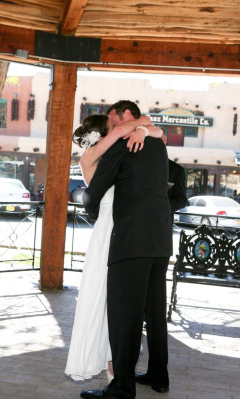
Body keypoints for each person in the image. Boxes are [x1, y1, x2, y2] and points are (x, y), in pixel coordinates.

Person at [81, 100, 173, 399]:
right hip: (160, 240)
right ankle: (158, 376)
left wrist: (94, 213)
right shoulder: (158, 143)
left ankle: (122, 389)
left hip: (131, 242)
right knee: (154, 312)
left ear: (127, 118)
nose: (111, 128)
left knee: (125, 316)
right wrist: (146, 127)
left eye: (113, 122)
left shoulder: (122, 147)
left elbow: (93, 192)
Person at [65, 112, 162, 381]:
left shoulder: (95, 157)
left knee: (114, 299)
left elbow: (153, 132)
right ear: (102, 133)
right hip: (113, 229)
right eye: (111, 127)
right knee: (109, 297)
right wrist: (142, 122)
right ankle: (112, 366)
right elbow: (123, 132)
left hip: (116, 228)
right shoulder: (94, 154)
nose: (116, 129)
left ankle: (113, 365)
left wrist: (144, 129)